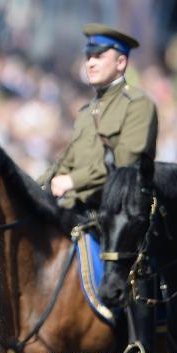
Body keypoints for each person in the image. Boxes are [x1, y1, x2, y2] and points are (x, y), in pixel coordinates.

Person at [40, 24, 157, 212]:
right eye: (88, 57)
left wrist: (72, 180)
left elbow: (124, 165)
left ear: (121, 63)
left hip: (116, 214)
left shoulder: (138, 104)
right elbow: (67, 162)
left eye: (99, 56)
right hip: (78, 208)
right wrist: (33, 185)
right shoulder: (87, 111)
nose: (90, 63)